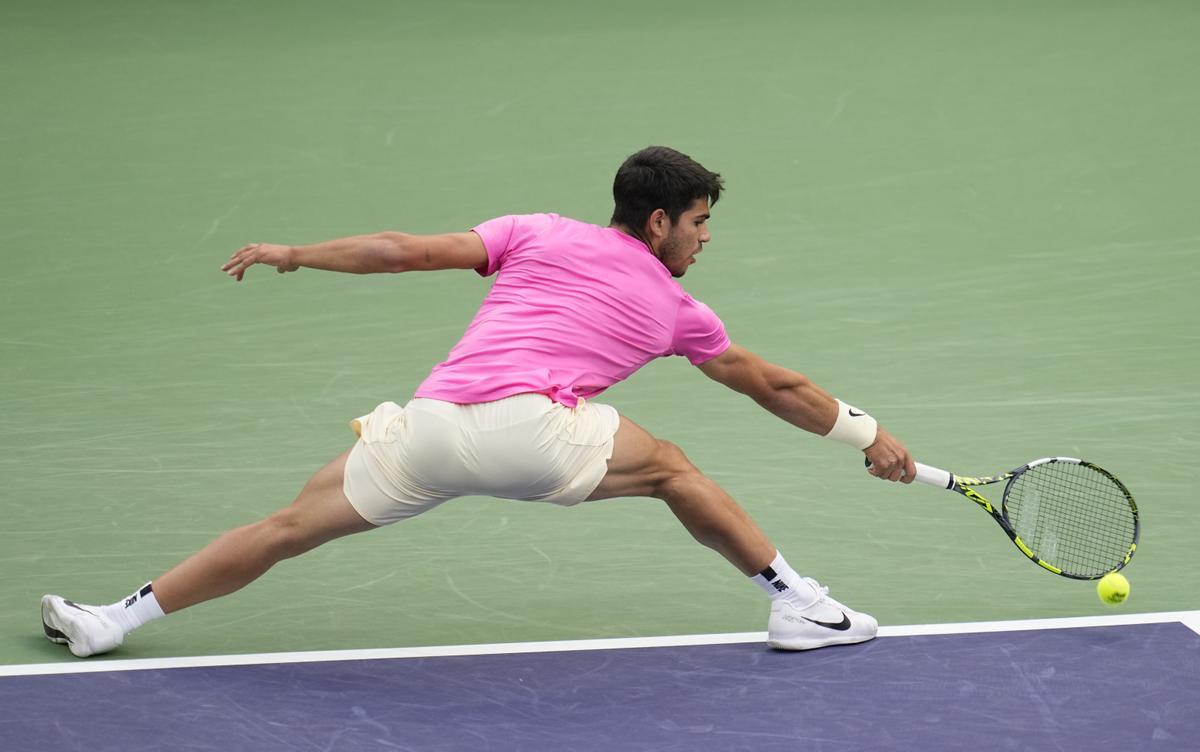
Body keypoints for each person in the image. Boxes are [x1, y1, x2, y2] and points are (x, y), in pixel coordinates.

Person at [41, 146, 915, 659]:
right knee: (672, 471)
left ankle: (114, 620)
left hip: (428, 428)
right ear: (658, 224)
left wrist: (296, 251)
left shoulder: (533, 230)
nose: (705, 238)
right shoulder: (681, 310)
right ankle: (797, 602)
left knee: (284, 528)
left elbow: (400, 250)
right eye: (698, 222)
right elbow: (776, 386)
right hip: (531, 430)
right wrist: (866, 435)